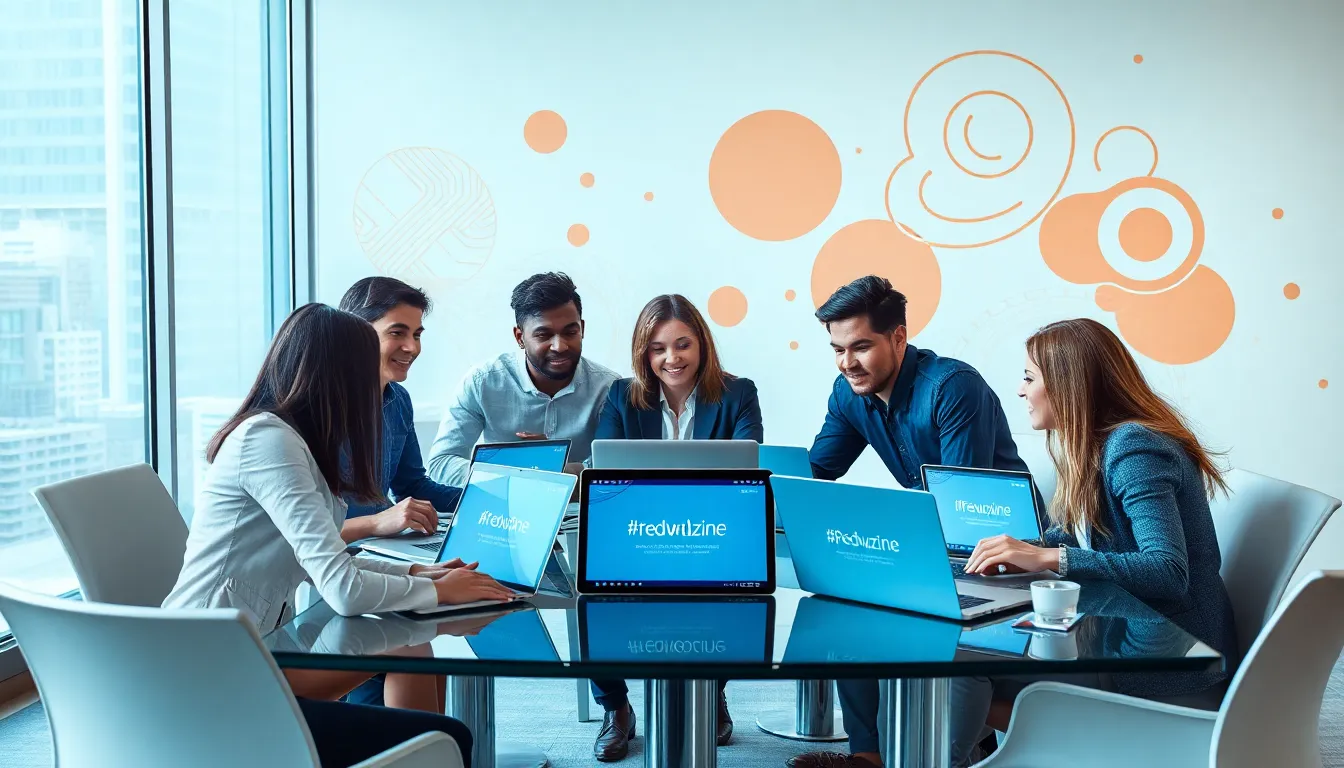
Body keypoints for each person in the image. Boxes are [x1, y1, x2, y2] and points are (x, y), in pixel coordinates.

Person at [163, 303, 516, 767]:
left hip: (253, 653)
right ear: (336, 375)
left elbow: (328, 558)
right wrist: (438, 592)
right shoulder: (267, 441)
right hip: (216, 680)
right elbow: (344, 591)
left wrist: (421, 573)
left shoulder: (296, 440)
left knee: (411, 648)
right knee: (449, 735)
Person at [947, 318, 1238, 766]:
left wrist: (1048, 557)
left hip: (1163, 663)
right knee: (955, 660)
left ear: (1067, 385)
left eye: (1029, 378)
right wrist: (1023, 550)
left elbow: (1167, 571)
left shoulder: (1135, 448)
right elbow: (1085, 535)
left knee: (954, 666)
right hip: (1124, 634)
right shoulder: (1095, 446)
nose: (1021, 391)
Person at [789, 276, 1032, 768]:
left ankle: (948, 743)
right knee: (848, 594)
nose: (846, 363)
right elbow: (816, 474)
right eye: (837, 349)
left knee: (878, 600)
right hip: (934, 545)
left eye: (861, 347)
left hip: (1000, 551)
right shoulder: (849, 394)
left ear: (898, 337)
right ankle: (867, 756)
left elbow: (958, 508)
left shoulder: (952, 387)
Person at [588, 294, 763, 760]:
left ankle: (712, 691)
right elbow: (605, 474)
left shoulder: (738, 394)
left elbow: (745, 474)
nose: (672, 358)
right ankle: (616, 708)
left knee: (737, 582)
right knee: (593, 586)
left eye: (683, 344)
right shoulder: (622, 397)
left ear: (702, 344)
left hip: (710, 531)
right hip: (638, 531)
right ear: (644, 353)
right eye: (658, 348)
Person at [335, 277, 466, 708]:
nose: (412, 347)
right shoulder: (323, 411)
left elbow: (413, 486)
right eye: (398, 332)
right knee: (416, 648)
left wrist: (487, 501)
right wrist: (379, 521)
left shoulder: (398, 401)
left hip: (387, 553)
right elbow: (306, 532)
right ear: (357, 333)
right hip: (337, 565)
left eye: (417, 334)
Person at [427, 272, 619, 486]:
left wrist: (555, 466)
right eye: (543, 335)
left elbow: (617, 466)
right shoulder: (483, 382)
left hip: (581, 504)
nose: (559, 346)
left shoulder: (609, 388)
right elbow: (442, 463)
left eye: (570, 332)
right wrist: (517, 471)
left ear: (582, 329)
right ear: (520, 337)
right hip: (502, 503)